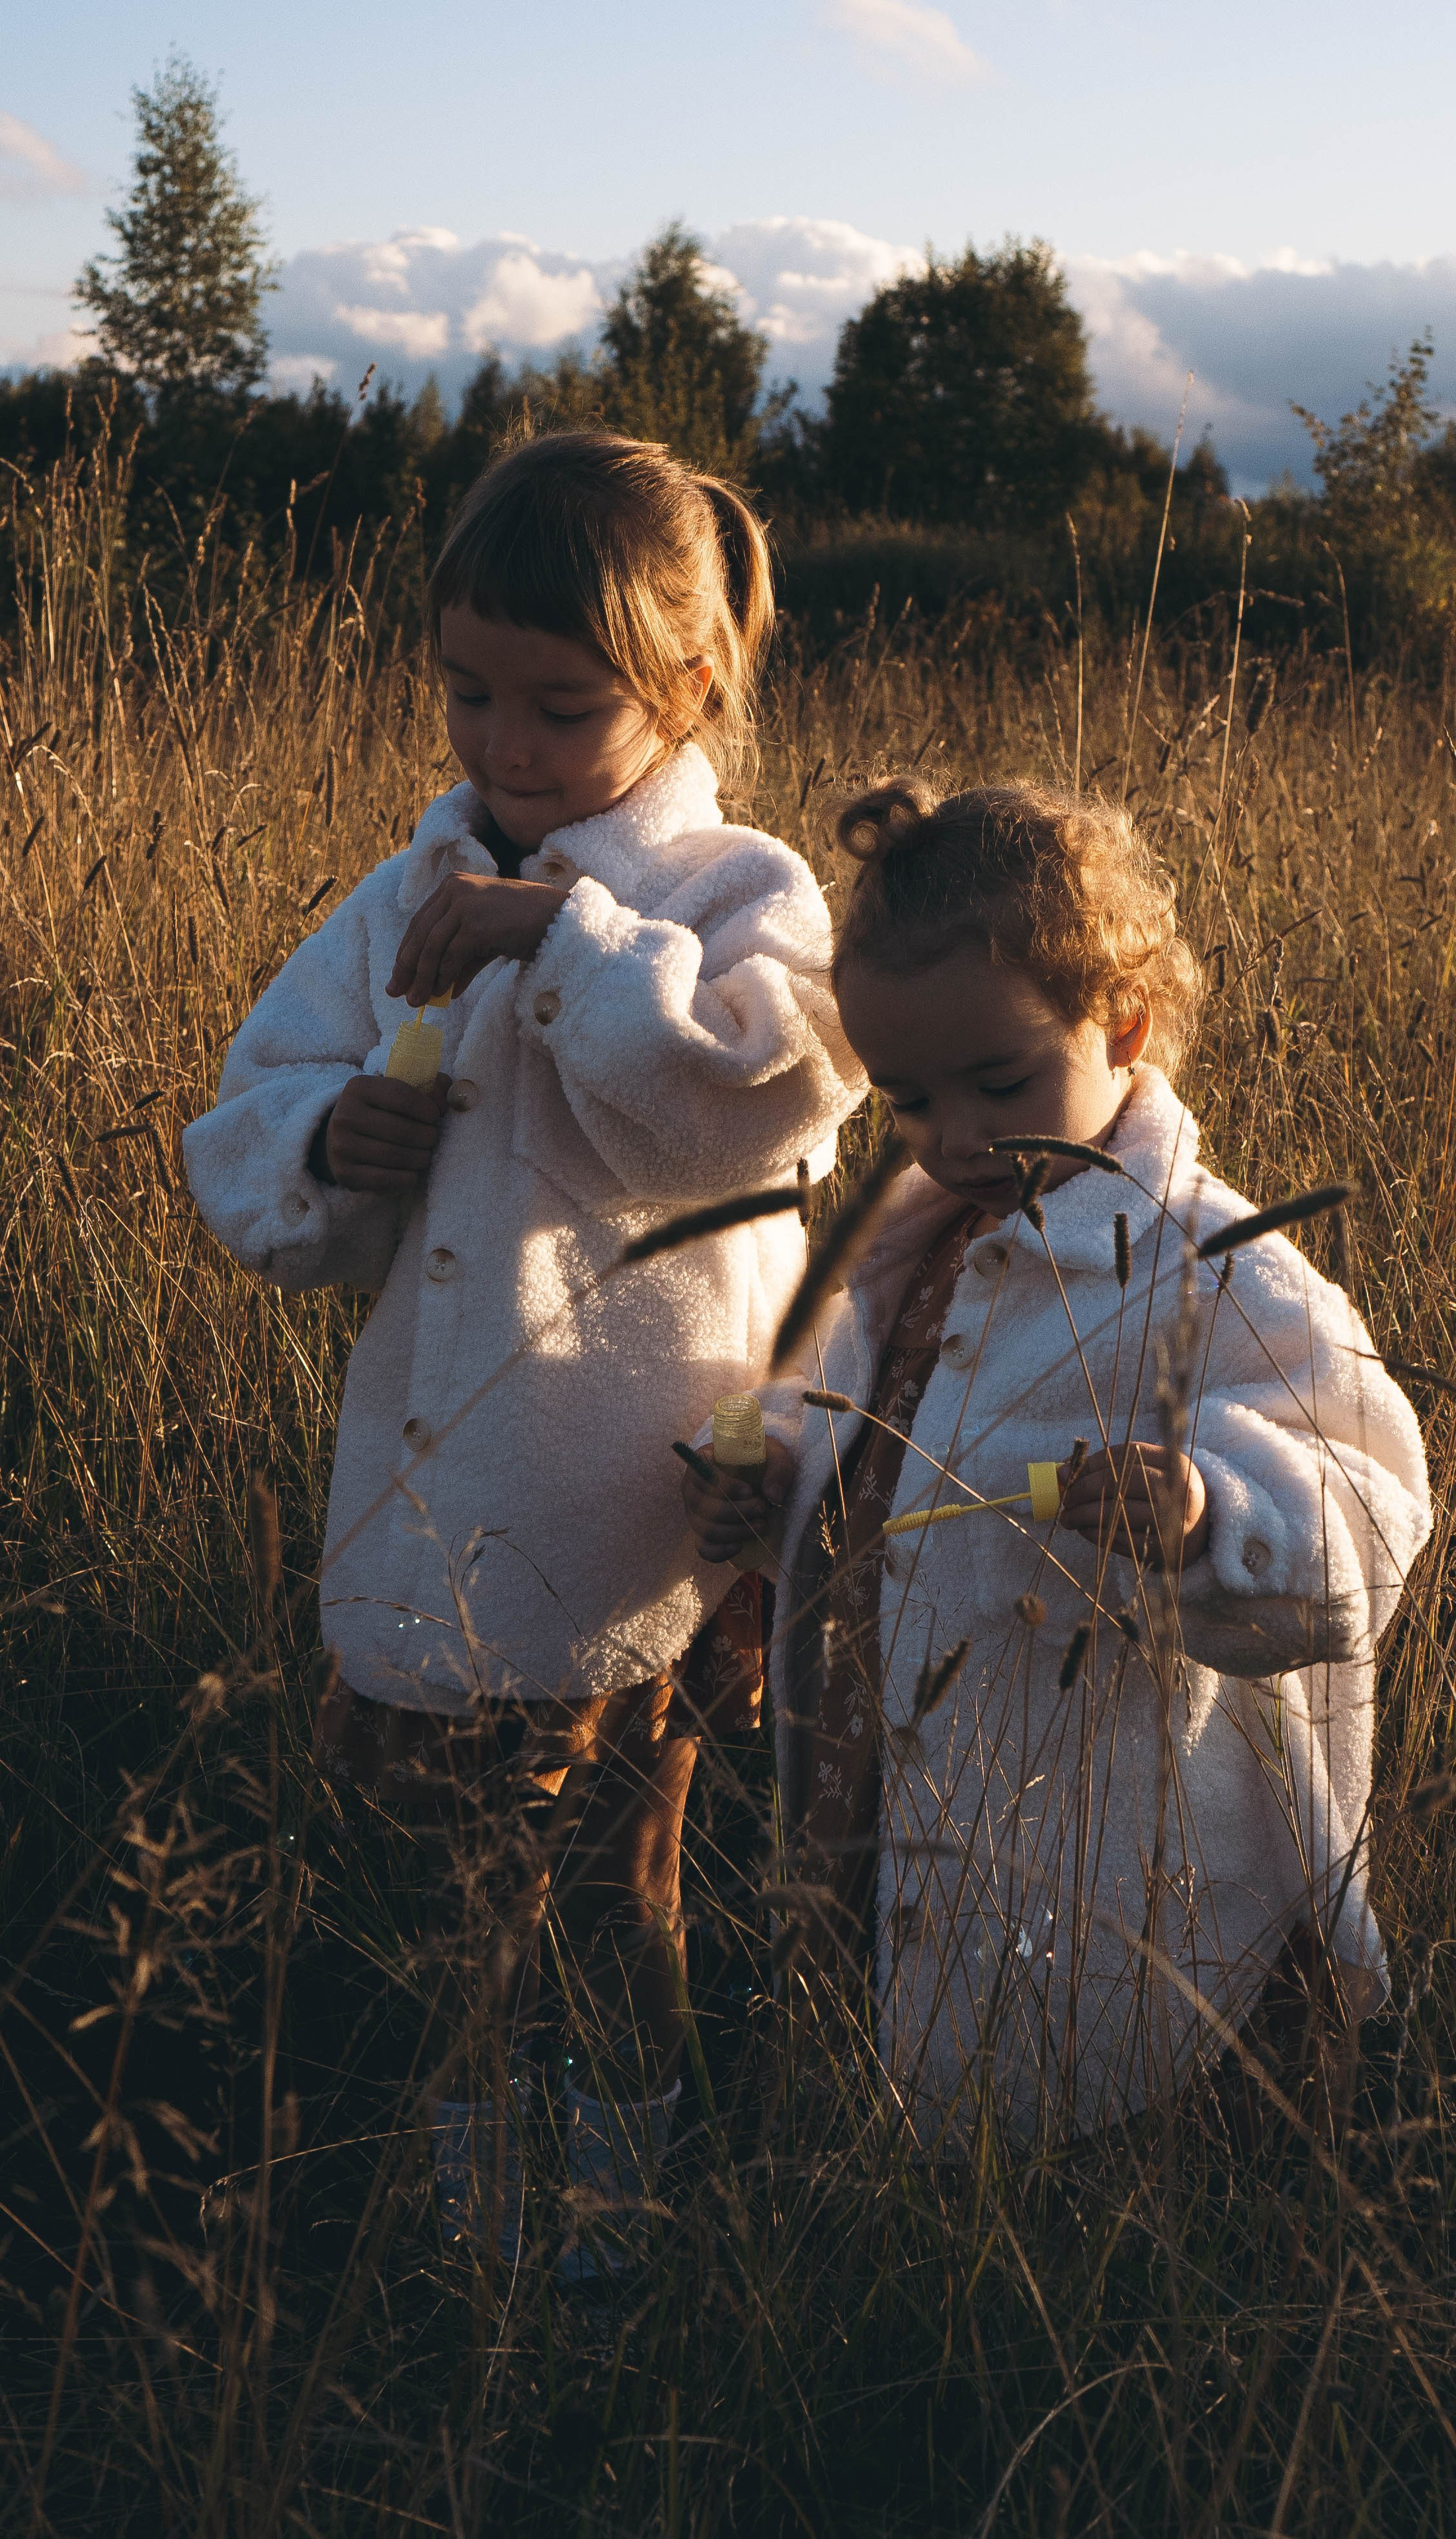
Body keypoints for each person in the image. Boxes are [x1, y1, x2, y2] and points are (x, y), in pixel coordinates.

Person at [183, 430, 862, 2267]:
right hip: (438, 1490)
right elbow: (250, 1103)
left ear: (692, 680)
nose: (506, 747)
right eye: (470, 693)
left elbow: (747, 1107)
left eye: (563, 708)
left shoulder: (744, 893)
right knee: (467, 1903)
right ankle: (485, 2224)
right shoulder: (411, 884)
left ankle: (613, 2232)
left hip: (625, 1509)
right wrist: (336, 1143)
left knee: (617, 1880)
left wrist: (564, 933)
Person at [680, 780, 1431, 2144]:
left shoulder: (1216, 1267)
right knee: (895, 2056)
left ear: (1123, 1026)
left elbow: (1371, 1497)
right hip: (874, 1788)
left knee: (1092, 2106)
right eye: (906, 1100)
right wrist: (774, 1484)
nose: (956, 1137)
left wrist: (1218, 1511)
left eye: (1000, 1083)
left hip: (1106, 1849)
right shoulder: (908, 1255)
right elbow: (869, 1444)